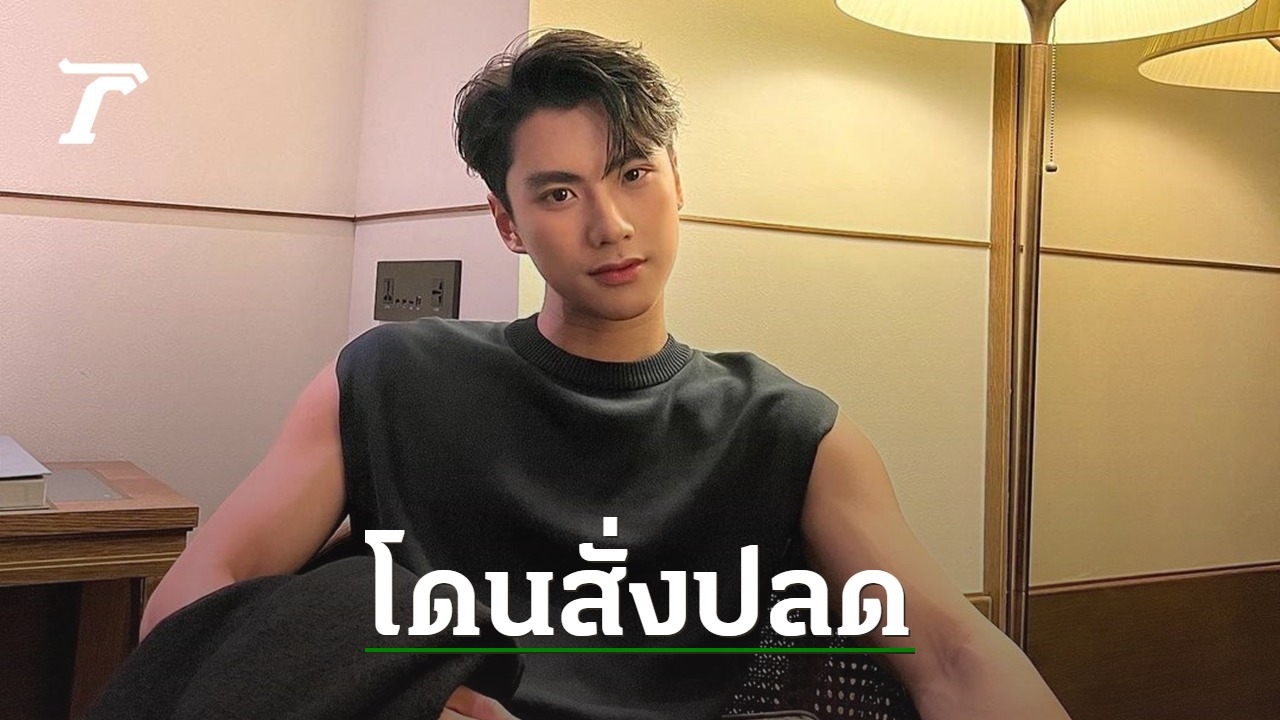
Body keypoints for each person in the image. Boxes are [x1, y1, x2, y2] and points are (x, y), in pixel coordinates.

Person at [140, 29, 1072, 720]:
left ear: (678, 182)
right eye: (559, 192)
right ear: (508, 223)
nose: (610, 224)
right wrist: (405, 700)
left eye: (632, 174)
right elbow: (202, 591)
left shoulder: (788, 429)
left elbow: (950, 654)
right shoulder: (392, 377)